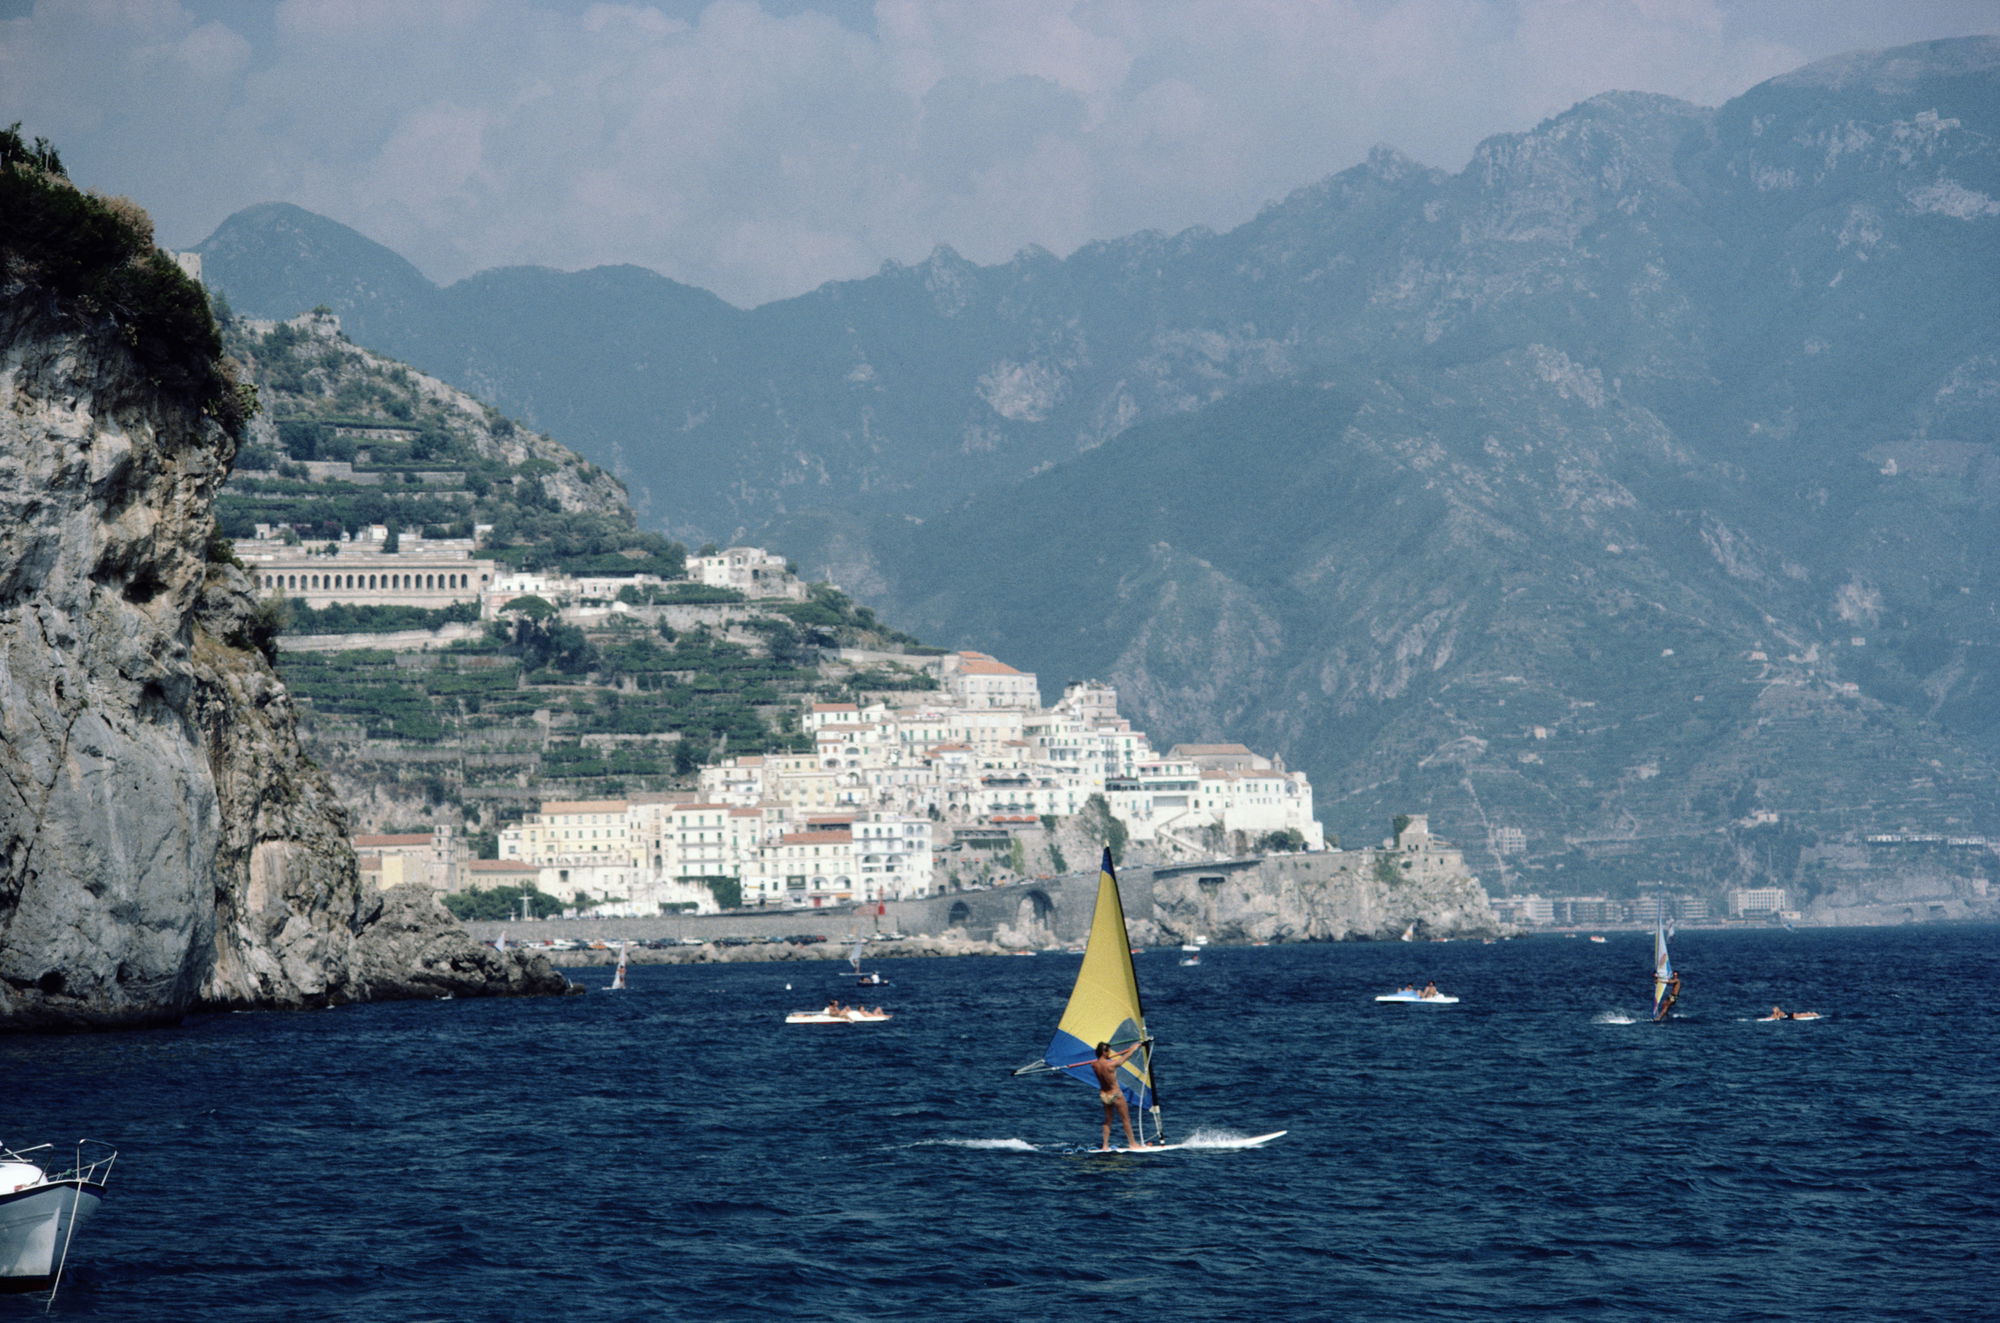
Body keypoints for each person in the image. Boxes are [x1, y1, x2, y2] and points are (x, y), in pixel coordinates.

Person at [1091, 1040, 1149, 1150]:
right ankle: (1132, 1144)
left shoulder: (1093, 1065)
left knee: (1108, 1120)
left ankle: (1105, 1145)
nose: (1109, 1053)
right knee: (1125, 1119)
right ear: (1104, 1052)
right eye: (1108, 1051)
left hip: (1104, 1095)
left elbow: (1101, 1062)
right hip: (1115, 1094)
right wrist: (1134, 1048)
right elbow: (1125, 1058)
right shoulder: (1111, 1065)